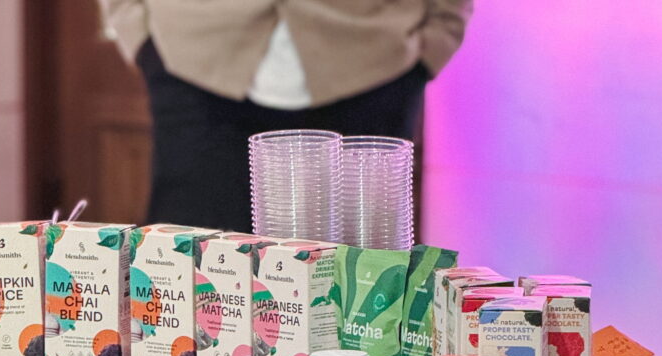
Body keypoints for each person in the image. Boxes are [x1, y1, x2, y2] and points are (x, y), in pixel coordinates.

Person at [99, 0, 473, 232]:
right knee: (191, 279)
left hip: (372, 65)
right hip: (192, 62)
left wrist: (438, 38)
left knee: (363, 290)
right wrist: (136, 32)